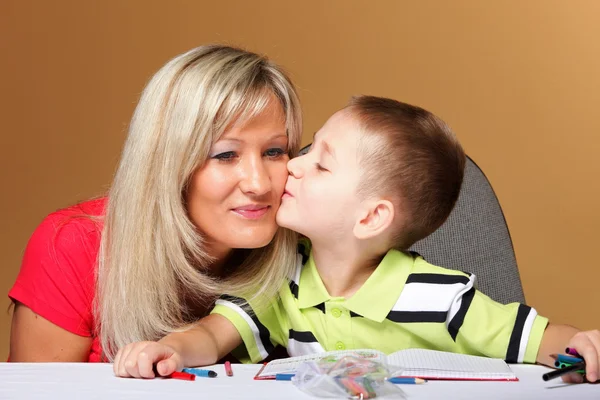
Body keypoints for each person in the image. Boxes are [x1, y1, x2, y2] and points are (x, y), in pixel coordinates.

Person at [113, 96, 600, 383]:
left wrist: (583, 344)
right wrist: (173, 348)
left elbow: (535, 338)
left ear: (371, 217)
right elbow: (214, 335)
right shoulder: (281, 278)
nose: (293, 166)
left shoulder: (439, 296)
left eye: (320, 163)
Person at [8, 44, 303, 362]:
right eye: (225, 154)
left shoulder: (311, 251)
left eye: (274, 152)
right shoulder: (74, 245)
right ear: (168, 164)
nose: (258, 184)